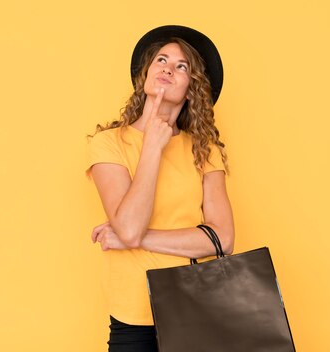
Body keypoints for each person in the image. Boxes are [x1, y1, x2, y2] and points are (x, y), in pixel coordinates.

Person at [84, 25, 235, 352]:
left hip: (194, 310)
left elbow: (222, 239)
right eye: (161, 60)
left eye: (182, 66)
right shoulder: (109, 144)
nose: (168, 68)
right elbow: (128, 227)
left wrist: (133, 240)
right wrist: (152, 144)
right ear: (146, 75)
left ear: (193, 87)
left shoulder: (203, 150)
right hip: (132, 316)